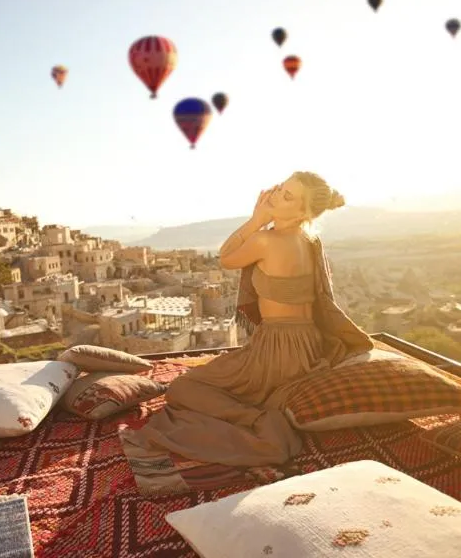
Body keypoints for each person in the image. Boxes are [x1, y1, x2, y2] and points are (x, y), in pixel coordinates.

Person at [120, 171, 373, 469]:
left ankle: (259, 419)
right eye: (280, 188)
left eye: (287, 196)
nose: (276, 195)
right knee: (218, 377)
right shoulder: (309, 238)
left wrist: (256, 219)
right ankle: (257, 407)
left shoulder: (267, 240)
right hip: (307, 344)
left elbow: (225, 257)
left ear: (303, 211)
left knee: (182, 390)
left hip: (279, 349)